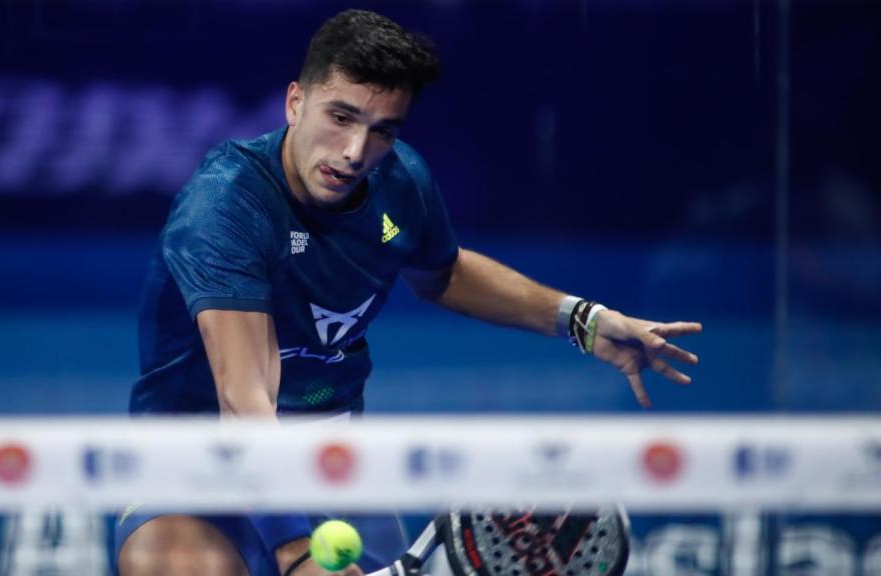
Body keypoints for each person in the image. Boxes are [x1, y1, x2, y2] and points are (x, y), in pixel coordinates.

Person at [116, 8, 701, 576]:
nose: (355, 152)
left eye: (381, 130)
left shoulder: (400, 181)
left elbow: (442, 272)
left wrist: (582, 320)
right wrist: (297, 552)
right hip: (200, 466)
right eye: (340, 117)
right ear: (295, 102)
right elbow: (245, 401)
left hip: (334, 467)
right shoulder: (226, 205)